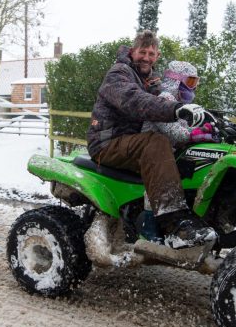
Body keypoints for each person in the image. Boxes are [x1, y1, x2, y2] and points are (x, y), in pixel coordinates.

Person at [87, 30, 216, 249]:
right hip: (108, 143)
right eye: (142, 52)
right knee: (155, 142)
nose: (146, 57)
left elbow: (165, 103)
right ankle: (173, 223)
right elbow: (135, 101)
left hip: (131, 142)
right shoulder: (119, 74)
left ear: (157, 56)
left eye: (151, 53)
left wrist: (203, 124)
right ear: (132, 51)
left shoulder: (150, 80)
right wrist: (176, 110)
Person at [142, 60, 215, 147]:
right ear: (176, 81)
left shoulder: (178, 104)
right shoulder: (164, 99)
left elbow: (184, 128)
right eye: (190, 82)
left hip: (164, 149)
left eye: (194, 82)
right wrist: (193, 135)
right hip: (149, 151)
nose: (193, 88)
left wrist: (201, 129)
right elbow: (174, 130)